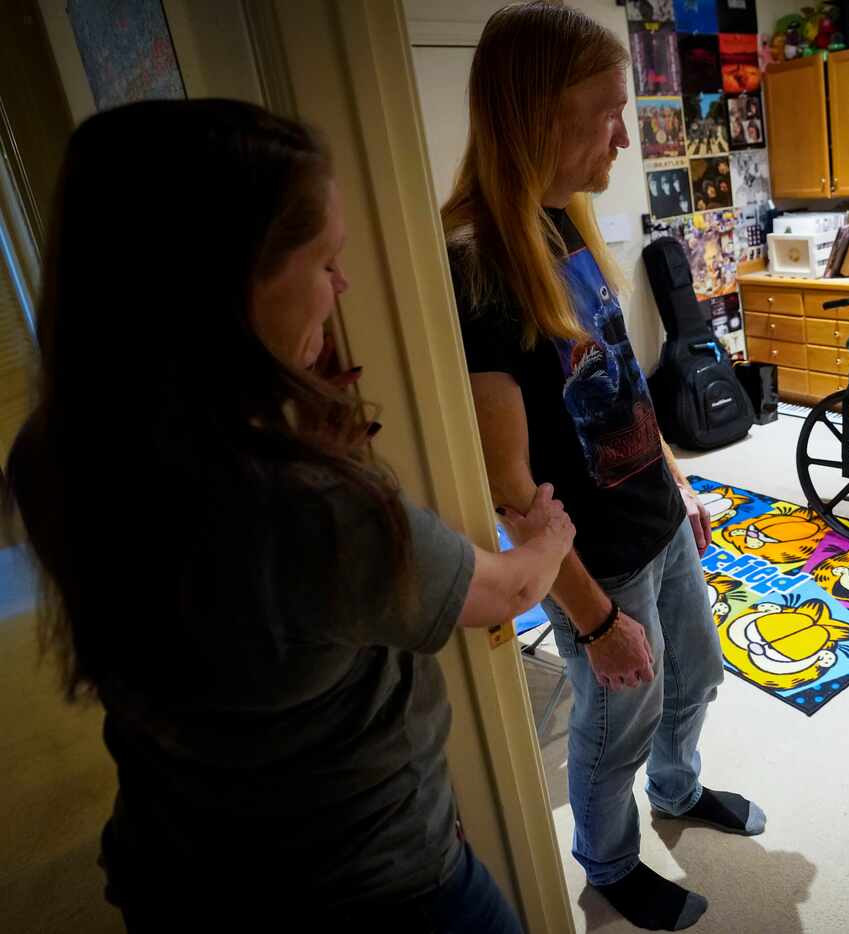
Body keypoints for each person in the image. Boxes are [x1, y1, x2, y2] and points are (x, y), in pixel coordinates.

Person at [5, 98, 576, 932]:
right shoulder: (313, 514)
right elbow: (502, 592)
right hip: (369, 894)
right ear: (222, 288)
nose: (341, 289)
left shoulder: (49, 454)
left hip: (174, 870)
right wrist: (550, 538)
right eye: (323, 262)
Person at [440, 4, 765, 931]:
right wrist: (591, 624)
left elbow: (617, 376)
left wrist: (678, 477)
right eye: (607, 110)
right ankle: (607, 860)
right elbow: (507, 487)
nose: (625, 134)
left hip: (655, 520)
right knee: (614, 717)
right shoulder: (474, 263)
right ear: (537, 113)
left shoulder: (562, 224)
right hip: (597, 562)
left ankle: (679, 790)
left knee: (694, 679)